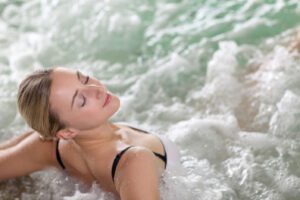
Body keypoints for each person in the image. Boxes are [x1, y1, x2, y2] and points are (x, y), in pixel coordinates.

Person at [0, 67, 182, 200]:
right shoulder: (133, 161)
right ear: (68, 131)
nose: (96, 90)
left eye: (85, 79)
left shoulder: (50, 144)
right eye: (81, 100)